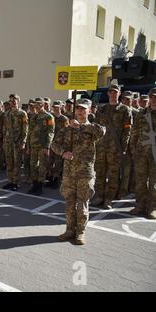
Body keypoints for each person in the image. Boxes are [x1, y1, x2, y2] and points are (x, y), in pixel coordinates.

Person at [51, 99, 106, 245]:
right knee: (69, 203)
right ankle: (70, 230)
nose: (80, 111)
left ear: (89, 111)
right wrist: (63, 153)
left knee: (82, 203)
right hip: (69, 172)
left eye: (83, 109)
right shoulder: (67, 128)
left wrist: (80, 127)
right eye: (78, 109)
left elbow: (101, 132)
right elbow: (54, 144)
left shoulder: (93, 128)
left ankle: (80, 232)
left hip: (85, 172)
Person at [91, 84, 133, 210]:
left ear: (119, 93)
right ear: (108, 93)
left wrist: (124, 148)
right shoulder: (102, 109)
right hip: (101, 147)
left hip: (116, 148)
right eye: (111, 92)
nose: (113, 94)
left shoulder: (125, 110)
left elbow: (127, 131)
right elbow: (96, 128)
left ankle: (109, 199)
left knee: (113, 175)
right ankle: (99, 196)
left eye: (115, 92)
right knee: (100, 173)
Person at [129, 88, 156, 220]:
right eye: (152, 97)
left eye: (155, 97)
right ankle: (140, 205)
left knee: (154, 182)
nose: (154, 99)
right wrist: (133, 149)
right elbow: (134, 132)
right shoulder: (141, 113)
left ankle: (152, 207)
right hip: (141, 152)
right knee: (140, 180)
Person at [27, 98, 55, 195]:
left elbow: (51, 132)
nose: (37, 107)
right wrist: (28, 146)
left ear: (43, 105)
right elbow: (29, 132)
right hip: (33, 145)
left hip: (43, 145)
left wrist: (47, 146)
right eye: (36, 106)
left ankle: (40, 185)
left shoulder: (49, 117)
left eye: (39, 105)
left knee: (42, 166)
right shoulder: (34, 117)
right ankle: (34, 184)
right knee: (33, 165)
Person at [2, 95, 28, 191]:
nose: (12, 102)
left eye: (14, 100)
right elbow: (5, 128)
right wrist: (4, 140)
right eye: (11, 100)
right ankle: (10, 181)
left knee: (16, 163)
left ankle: (16, 182)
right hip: (8, 141)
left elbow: (25, 129)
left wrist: (23, 141)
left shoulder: (22, 113)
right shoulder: (7, 113)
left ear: (18, 101)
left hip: (18, 141)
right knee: (9, 162)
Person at [47, 100, 69, 189]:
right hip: (51, 143)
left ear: (61, 108)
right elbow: (49, 129)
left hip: (60, 144)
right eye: (54, 107)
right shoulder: (50, 118)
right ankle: (50, 179)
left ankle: (56, 180)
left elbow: (67, 132)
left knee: (58, 163)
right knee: (50, 162)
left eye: (57, 107)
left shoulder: (64, 119)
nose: (56, 109)